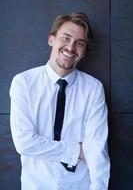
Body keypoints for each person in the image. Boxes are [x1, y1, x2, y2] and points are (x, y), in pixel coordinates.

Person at [10, 12, 110, 190]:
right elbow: (24, 143)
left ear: (84, 52)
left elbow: (96, 148)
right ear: (51, 40)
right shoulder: (23, 83)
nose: (71, 47)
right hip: (35, 185)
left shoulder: (94, 89)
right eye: (66, 38)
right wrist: (77, 151)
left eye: (80, 43)